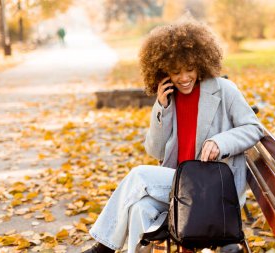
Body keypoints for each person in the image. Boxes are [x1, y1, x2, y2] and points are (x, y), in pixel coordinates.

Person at [84, 18, 264, 253]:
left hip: (211, 187)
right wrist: (161, 108)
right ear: (163, 71)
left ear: (201, 62)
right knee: (139, 209)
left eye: (189, 69)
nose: (184, 77)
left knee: (138, 175)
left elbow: (254, 128)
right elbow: (155, 151)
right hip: (178, 184)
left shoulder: (224, 90)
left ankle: (103, 249)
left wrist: (220, 142)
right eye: (175, 71)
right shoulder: (168, 99)